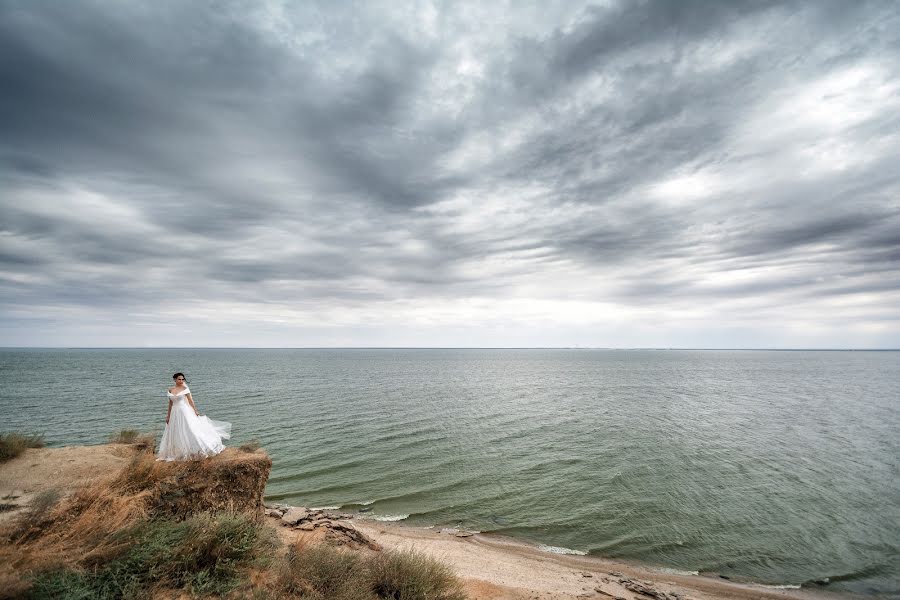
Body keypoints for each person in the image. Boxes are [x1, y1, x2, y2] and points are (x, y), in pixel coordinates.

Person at [156, 372, 231, 461]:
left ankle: (196, 449)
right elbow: (170, 404)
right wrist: (168, 416)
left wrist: (195, 411)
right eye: (179, 379)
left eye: (182, 379)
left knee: (190, 430)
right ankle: (178, 452)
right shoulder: (170, 390)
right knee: (175, 431)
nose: (181, 381)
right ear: (175, 379)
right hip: (174, 413)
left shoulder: (185, 389)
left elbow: (191, 401)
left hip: (184, 412)